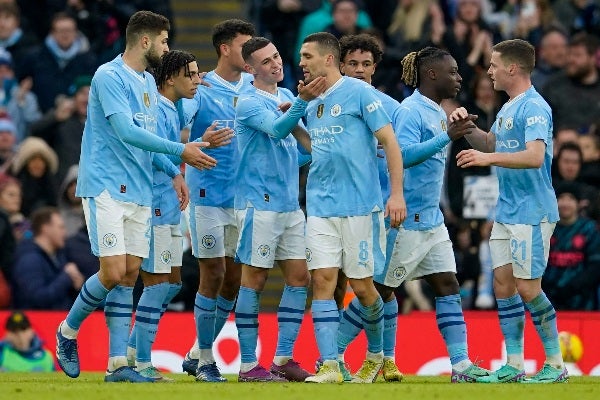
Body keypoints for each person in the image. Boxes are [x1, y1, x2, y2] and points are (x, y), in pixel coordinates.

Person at [55, 10, 216, 383]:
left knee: (128, 276)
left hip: (140, 189)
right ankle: (67, 331)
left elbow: (147, 146)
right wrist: (181, 151)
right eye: (163, 40)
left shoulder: (146, 82)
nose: (167, 47)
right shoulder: (108, 76)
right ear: (145, 41)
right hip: (108, 187)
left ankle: (117, 365)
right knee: (112, 271)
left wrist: (174, 170)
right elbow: (127, 131)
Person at [336, 42, 488, 383]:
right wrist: (446, 138)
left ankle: (461, 366)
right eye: (452, 72)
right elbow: (400, 156)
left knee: (448, 284)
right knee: (377, 293)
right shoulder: (410, 111)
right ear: (431, 74)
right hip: (404, 222)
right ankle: (330, 356)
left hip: (431, 220)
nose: (459, 77)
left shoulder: (434, 111)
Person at [453, 38, 568, 383]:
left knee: (528, 288)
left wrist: (488, 158)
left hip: (533, 212)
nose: (489, 71)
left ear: (512, 68)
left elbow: (534, 156)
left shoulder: (534, 107)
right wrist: (466, 129)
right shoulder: (507, 108)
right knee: (503, 284)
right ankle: (514, 364)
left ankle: (556, 364)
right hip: (507, 211)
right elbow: (491, 143)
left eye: (493, 65)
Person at [298, 32, 406, 384]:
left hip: (361, 207)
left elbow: (390, 141)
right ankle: (330, 365)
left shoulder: (361, 93)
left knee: (361, 286)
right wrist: (291, 123)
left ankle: (376, 356)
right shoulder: (311, 102)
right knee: (323, 281)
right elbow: (317, 147)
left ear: (327, 59)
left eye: (307, 55)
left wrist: (397, 194)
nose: (301, 62)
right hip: (320, 207)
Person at [125, 50, 228, 382]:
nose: (198, 80)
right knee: (157, 284)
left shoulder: (175, 107)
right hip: (152, 200)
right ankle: (141, 362)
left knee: (170, 284)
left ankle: (131, 351)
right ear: (170, 78)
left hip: (168, 199)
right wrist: (194, 153)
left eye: (199, 74)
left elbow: (174, 145)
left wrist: (180, 169)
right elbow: (153, 149)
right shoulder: (154, 107)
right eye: (192, 74)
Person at [233, 37, 326, 383]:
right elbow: (275, 130)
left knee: (300, 278)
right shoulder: (247, 103)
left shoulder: (287, 97)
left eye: (276, 56)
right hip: (260, 204)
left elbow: (302, 151)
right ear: (249, 69)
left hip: (289, 205)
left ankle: (283, 357)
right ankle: (246, 365)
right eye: (266, 61)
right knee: (254, 280)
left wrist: (304, 121)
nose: (276, 63)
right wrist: (302, 104)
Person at [180, 19, 254, 382]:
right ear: (225, 48)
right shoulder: (201, 87)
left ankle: (196, 349)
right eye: (245, 46)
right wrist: (200, 139)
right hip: (207, 194)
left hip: (244, 198)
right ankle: (208, 361)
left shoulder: (257, 87)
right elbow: (178, 134)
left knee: (234, 281)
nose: (253, 54)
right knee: (213, 273)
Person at [11, 206, 84, 310]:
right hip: (38, 323)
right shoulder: (29, 260)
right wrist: (66, 277)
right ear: (46, 228)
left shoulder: (59, 256)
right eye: (61, 227)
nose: (65, 232)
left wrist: (77, 285)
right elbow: (37, 299)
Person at [543, 182, 600, 310]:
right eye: (561, 198)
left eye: (570, 199)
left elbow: (595, 265)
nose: (565, 203)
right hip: (547, 298)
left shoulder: (589, 229)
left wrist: (572, 287)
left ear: (579, 203)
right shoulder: (545, 228)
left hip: (582, 299)